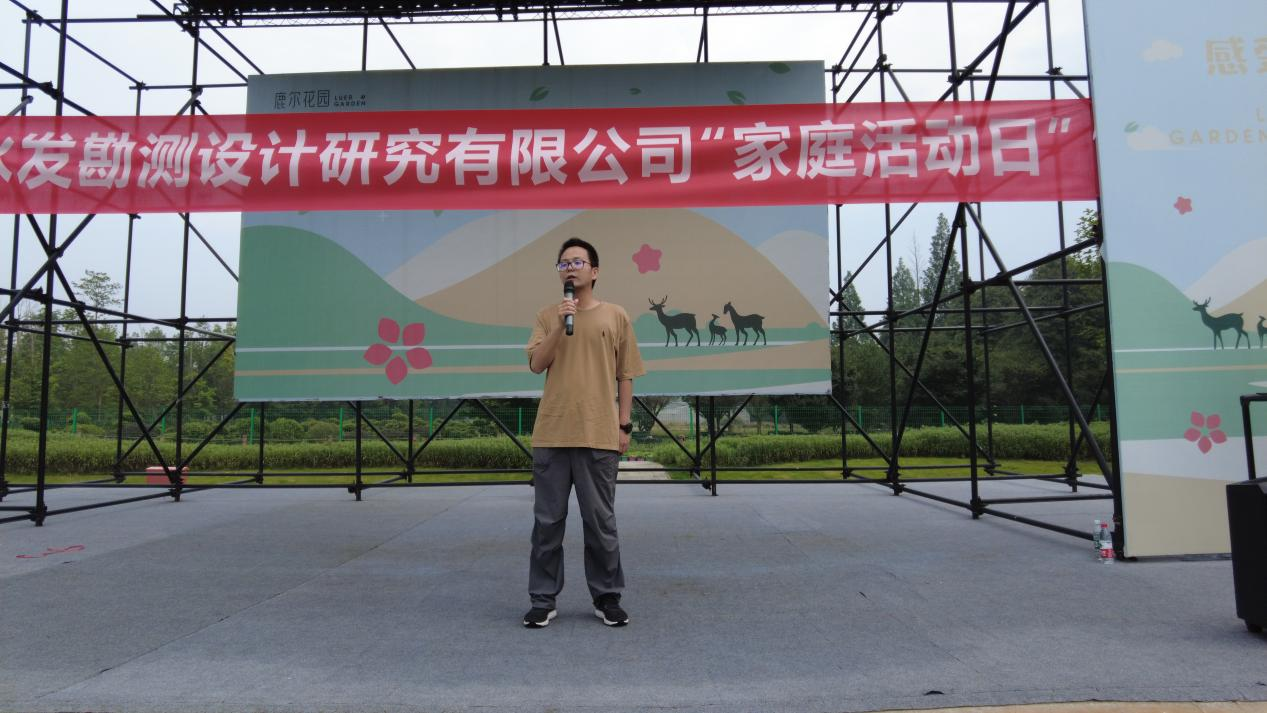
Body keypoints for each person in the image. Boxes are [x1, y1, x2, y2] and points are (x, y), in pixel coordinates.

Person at [523, 237, 645, 628]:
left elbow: (626, 374)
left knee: (600, 523)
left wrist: (624, 424)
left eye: (577, 262)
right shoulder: (548, 315)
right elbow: (536, 364)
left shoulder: (616, 315)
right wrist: (561, 325)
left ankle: (607, 597)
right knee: (547, 524)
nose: (570, 268)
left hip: (599, 434)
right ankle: (543, 599)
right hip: (552, 434)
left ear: (594, 271)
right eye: (563, 263)